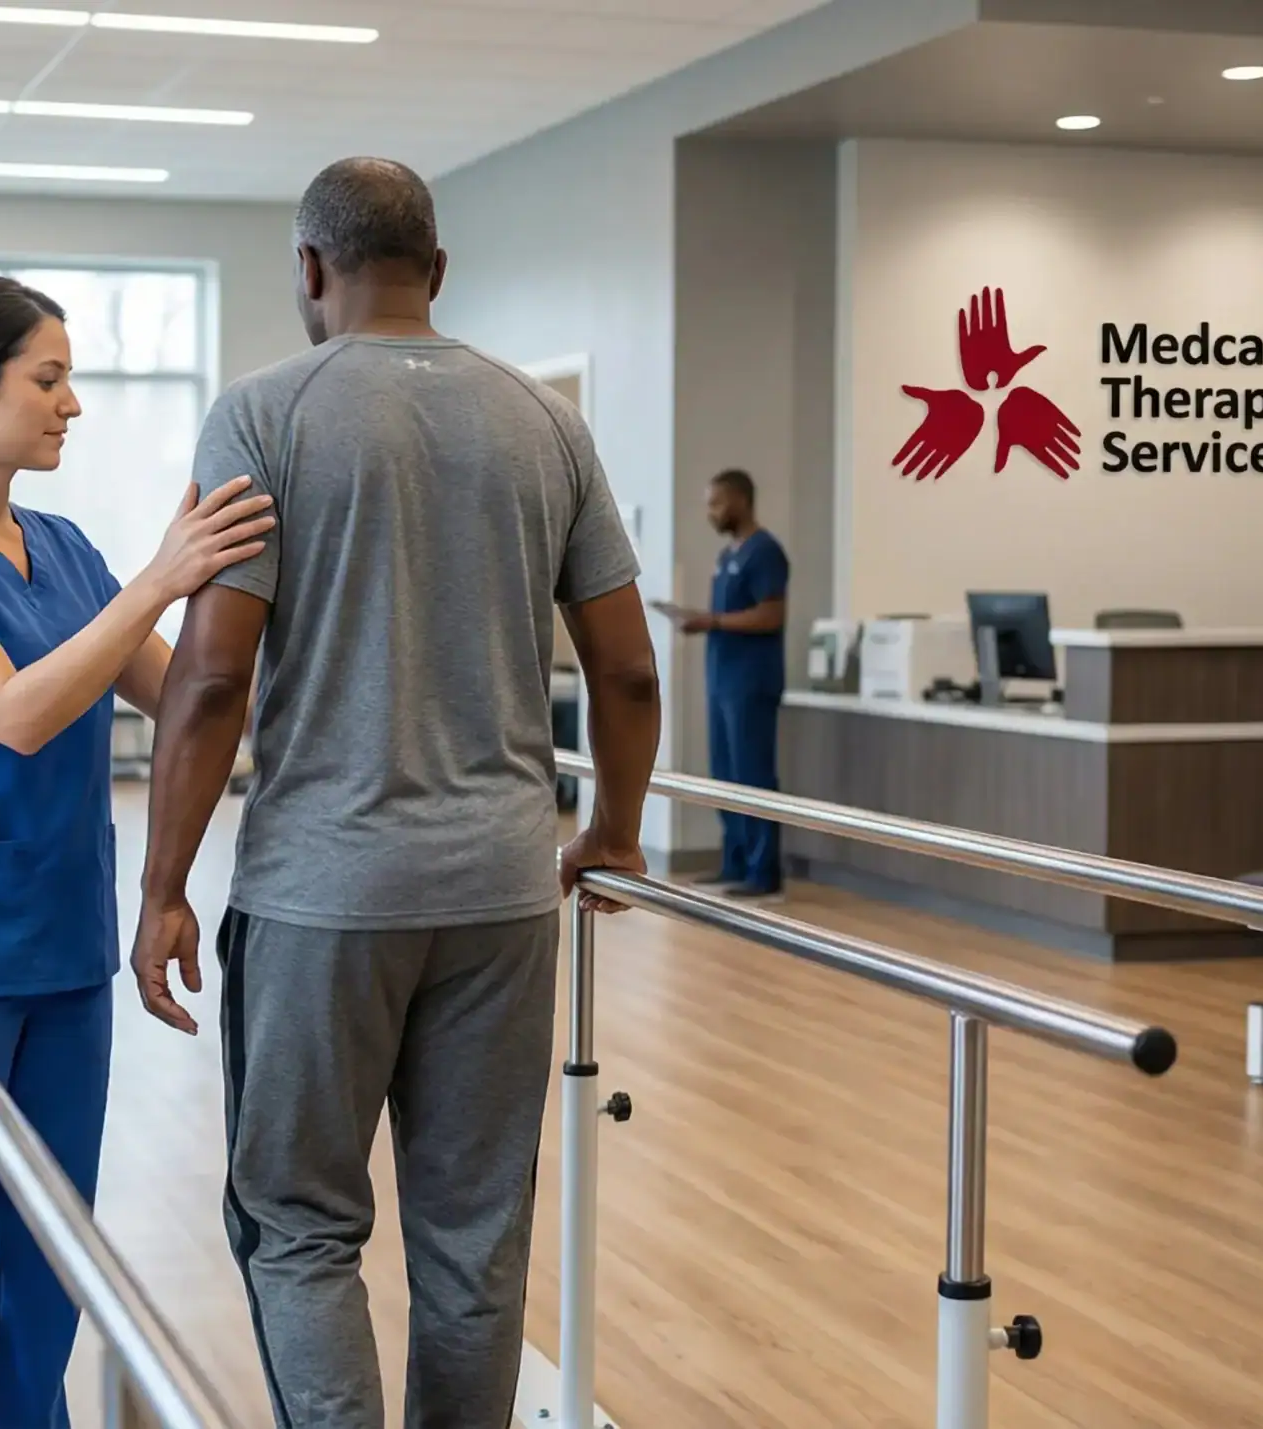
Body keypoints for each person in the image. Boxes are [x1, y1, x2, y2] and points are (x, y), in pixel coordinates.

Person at [131, 157, 663, 1429]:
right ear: (438, 271)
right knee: (473, 1236)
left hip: (323, 892)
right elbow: (629, 672)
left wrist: (159, 887)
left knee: (301, 1222)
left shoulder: (261, 415)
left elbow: (208, 683)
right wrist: (613, 831)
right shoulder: (545, 424)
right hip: (498, 892)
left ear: (308, 272)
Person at [0, 275, 272, 1429]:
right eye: (49, 377)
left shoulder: (63, 549)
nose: (71, 403)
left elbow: (189, 696)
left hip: (65, 958)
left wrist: (261, 608)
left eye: (71, 377)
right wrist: (160, 580)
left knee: (44, 1270)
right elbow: (17, 709)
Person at [650, 468, 791, 900]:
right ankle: (734, 862)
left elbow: (771, 615)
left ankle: (763, 874)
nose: (710, 512)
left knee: (753, 776)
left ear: (741, 501)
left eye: (716, 503)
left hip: (751, 681)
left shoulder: (765, 552)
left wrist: (709, 620)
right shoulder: (729, 554)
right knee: (725, 775)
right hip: (723, 680)